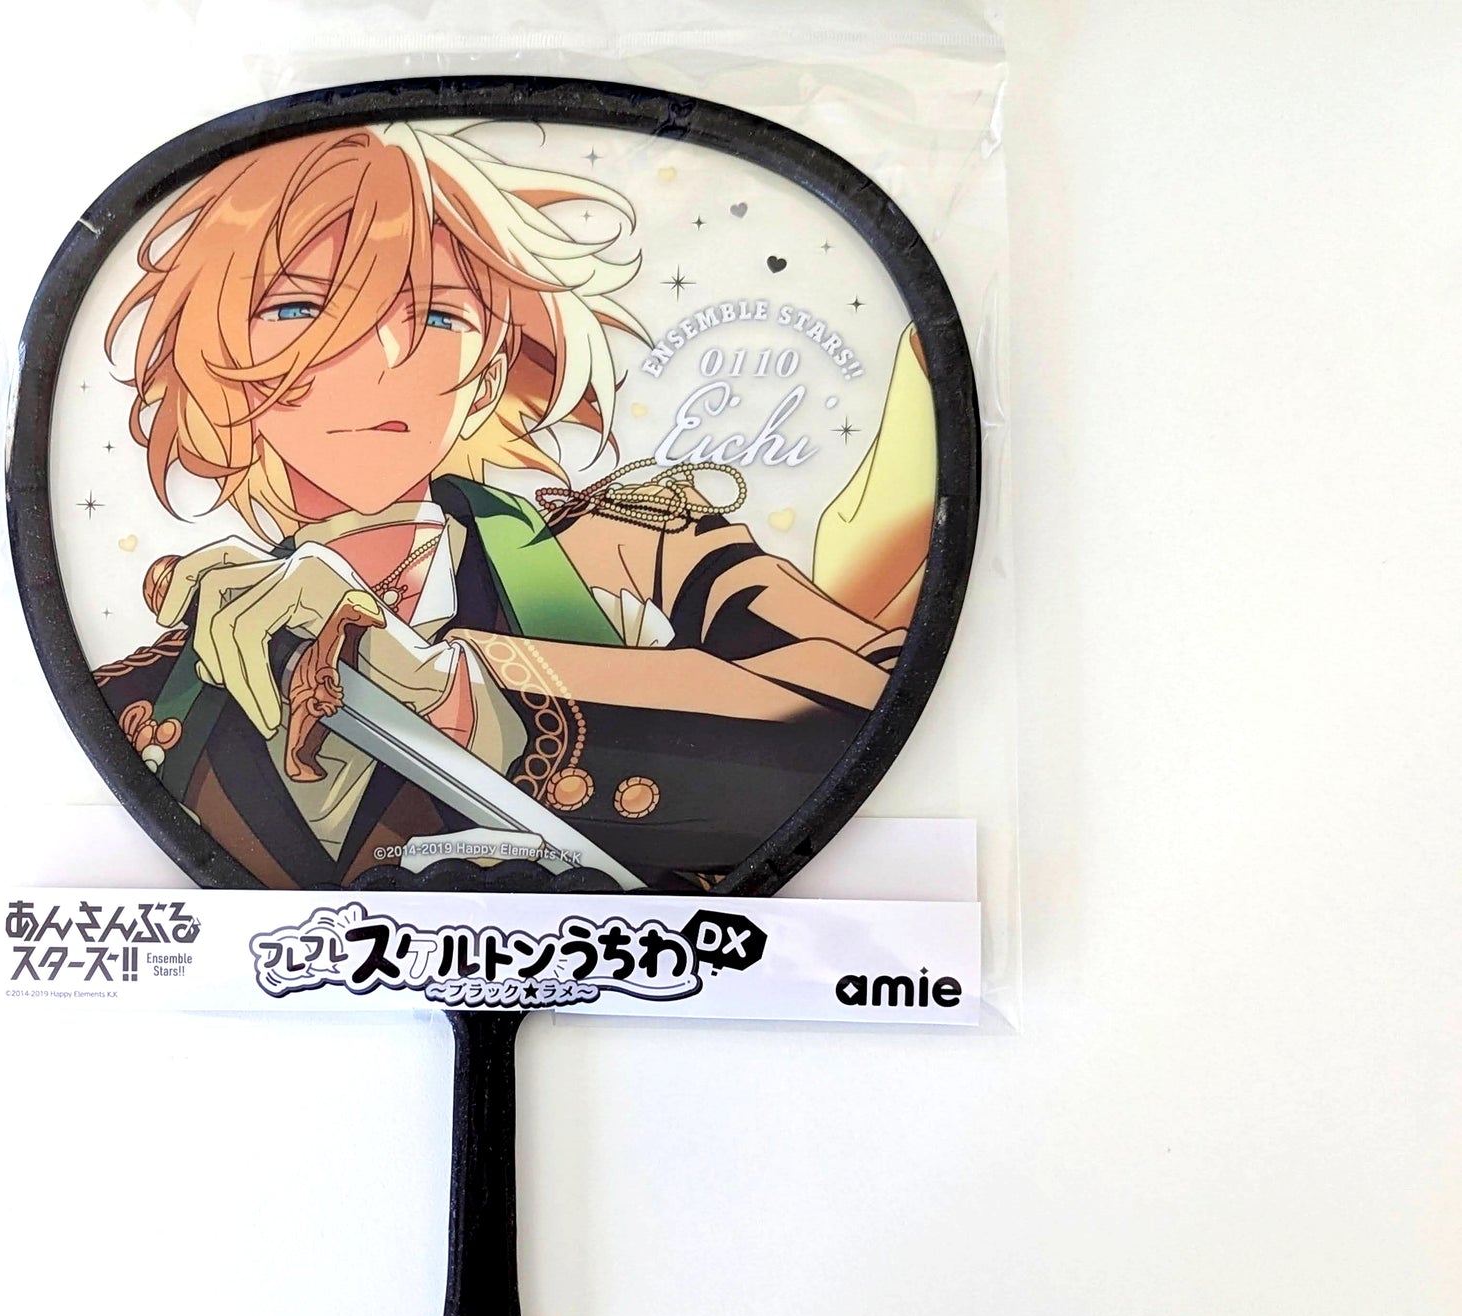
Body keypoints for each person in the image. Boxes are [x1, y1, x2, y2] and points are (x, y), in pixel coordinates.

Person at [90, 120, 921, 890]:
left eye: (436, 315)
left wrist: (452, 689)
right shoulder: (150, 697)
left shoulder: (632, 550)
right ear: (215, 359)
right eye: (300, 306)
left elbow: (872, 704)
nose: (379, 356)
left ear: (488, 374)